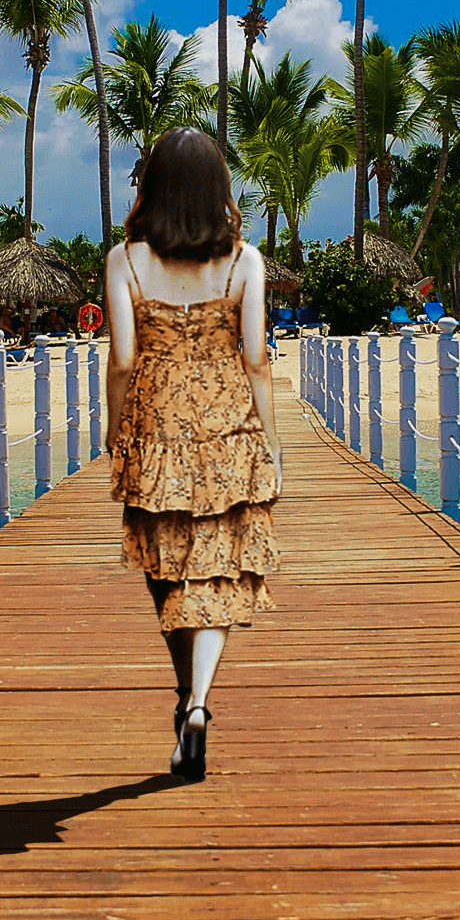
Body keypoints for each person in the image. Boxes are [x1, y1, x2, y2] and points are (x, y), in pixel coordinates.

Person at [105, 128, 281, 783]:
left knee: (169, 571)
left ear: (153, 185)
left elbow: (122, 358)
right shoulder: (245, 261)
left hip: (155, 431)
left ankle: (186, 695)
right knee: (216, 577)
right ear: (218, 188)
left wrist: (114, 427)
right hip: (228, 432)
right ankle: (199, 702)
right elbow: (257, 359)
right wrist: (272, 440)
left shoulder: (126, 258)